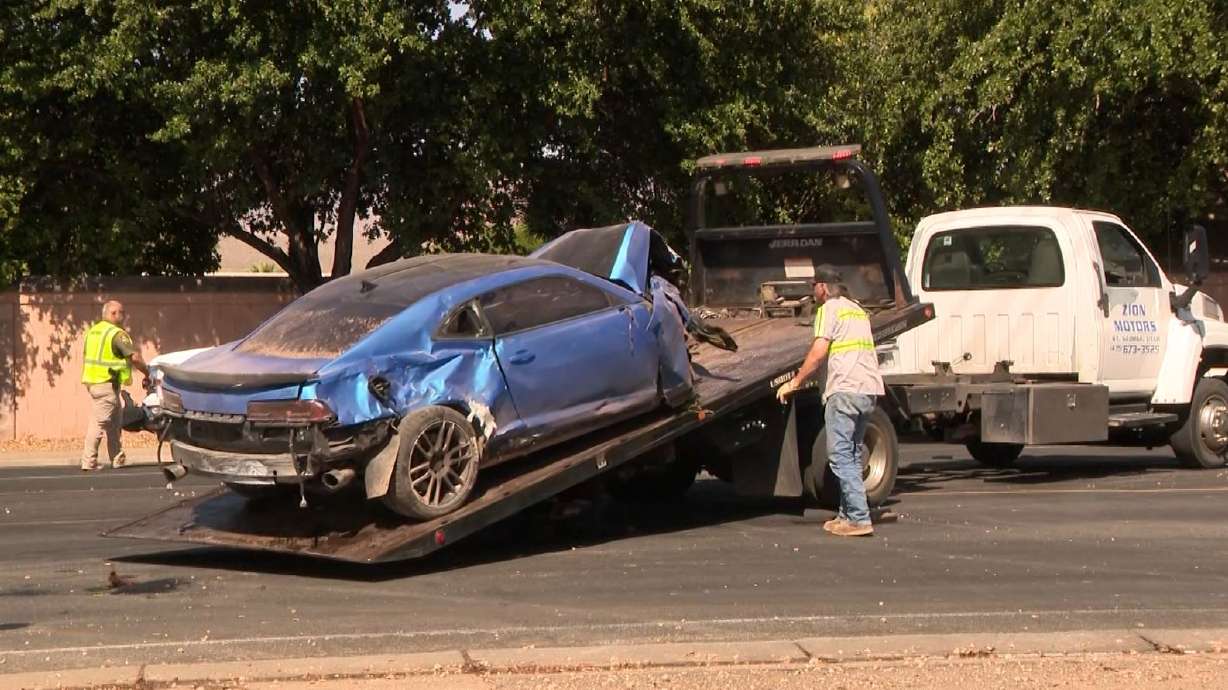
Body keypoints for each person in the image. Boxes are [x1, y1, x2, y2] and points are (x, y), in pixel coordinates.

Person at [775, 268, 884, 537]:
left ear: (823, 287)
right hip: (867, 389)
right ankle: (847, 514)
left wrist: (795, 382)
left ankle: (859, 518)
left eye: (814, 286)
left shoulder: (829, 309)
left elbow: (819, 351)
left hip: (844, 389)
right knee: (853, 452)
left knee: (839, 455)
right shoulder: (857, 310)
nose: (813, 291)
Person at [80, 300, 148, 471]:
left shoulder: (93, 332)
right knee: (99, 423)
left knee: (115, 422)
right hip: (106, 384)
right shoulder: (117, 334)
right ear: (113, 314)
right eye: (121, 312)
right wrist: (148, 373)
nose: (123, 316)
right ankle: (89, 462)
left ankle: (117, 458)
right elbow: (135, 358)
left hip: (94, 382)